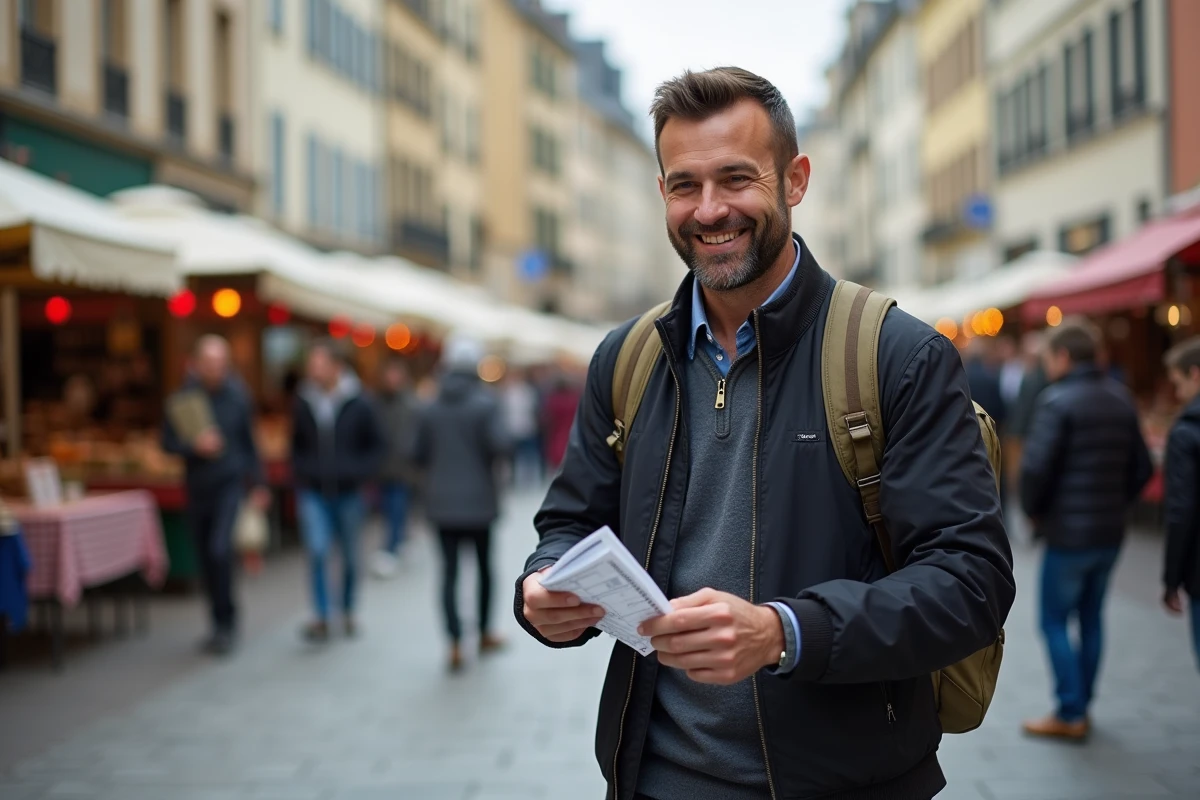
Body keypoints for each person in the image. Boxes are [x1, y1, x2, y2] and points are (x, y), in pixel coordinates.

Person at [515, 68, 1015, 800]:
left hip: (847, 784)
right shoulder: (626, 358)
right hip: (652, 780)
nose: (709, 210)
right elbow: (569, 521)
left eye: (736, 179)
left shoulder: (896, 355)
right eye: (685, 185)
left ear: (795, 179)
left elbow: (970, 583)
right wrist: (543, 586)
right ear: (662, 193)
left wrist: (784, 632)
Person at [1019, 319, 1152, 739]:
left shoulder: (1056, 400)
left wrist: (1033, 512)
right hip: (1109, 532)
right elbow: (1143, 467)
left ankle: (1070, 711)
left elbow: (1035, 470)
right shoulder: (1120, 397)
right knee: (1091, 619)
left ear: (1063, 357)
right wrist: (1118, 503)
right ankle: (1081, 706)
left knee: (1054, 621)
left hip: (1068, 534)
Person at [163, 336, 269, 656]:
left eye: (220, 362)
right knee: (206, 558)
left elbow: (250, 443)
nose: (215, 369)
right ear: (196, 363)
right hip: (198, 487)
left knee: (220, 550)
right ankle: (217, 621)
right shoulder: (183, 398)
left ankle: (228, 622)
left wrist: (259, 483)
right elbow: (166, 442)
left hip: (229, 485)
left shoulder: (238, 397)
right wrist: (194, 446)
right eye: (209, 362)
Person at [412, 336, 512, 672]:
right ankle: (483, 633)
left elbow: (415, 452)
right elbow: (501, 445)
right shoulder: (486, 403)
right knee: (484, 569)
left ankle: (454, 641)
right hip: (479, 501)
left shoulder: (429, 404)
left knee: (449, 573)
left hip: (441, 502)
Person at [291, 340, 386, 642]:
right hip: (314, 490)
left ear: (337, 366)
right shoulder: (304, 400)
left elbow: (376, 445)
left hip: (349, 491)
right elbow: (296, 444)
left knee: (349, 555)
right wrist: (303, 471)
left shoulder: (360, 401)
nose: (313, 370)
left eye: (319, 364)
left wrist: (358, 473)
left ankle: (346, 608)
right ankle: (321, 614)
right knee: (317, 550)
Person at [1162, 337, 1200, 670]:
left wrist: (1171, 579)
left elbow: (1181, 508)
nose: (1178, 393)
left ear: (1195, 374)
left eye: (1178, 383)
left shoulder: (1187, 430)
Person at [372, 358, 417, 578]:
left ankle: (392, 547)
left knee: (396, 508)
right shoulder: (377, 403)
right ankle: (398, 542)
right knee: (390, 509)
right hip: (383, 467)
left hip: (402, 468)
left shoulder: (409, 404)